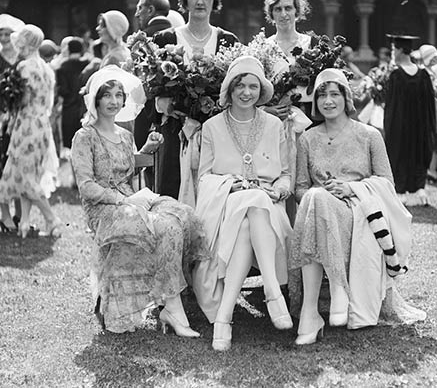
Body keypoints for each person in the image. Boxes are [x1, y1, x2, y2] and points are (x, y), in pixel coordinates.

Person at [289, 68, 423, 345]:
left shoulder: (369, 135)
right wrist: (323, 192)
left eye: (334, 94)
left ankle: (313, 310)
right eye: (322, 95)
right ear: (315, 101)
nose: (328, 101)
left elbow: (387, 182)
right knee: (316, 198)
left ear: (346, 97)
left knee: (317, 203)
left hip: (359, 216)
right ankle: (324, 301)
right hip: (320, 210)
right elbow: (300, 188)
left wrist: (351, 188)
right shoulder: (307, 139)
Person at [71, 66, 209, 334]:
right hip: (104, 208)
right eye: (107, 95)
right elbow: (86, 186)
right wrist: (124, 202)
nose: (113, 101)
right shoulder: (84, 136)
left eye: (118, 95)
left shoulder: (124, 135)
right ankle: (169, 309)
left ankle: (174, 306)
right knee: (155, 225)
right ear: (95, 100)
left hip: (131, 199)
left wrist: (146, 150)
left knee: (178, 216)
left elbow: (127, 167)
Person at [193, 56, 293, 351]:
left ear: (261, 90)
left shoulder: (275, 125)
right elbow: (204, 179)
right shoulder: (211, 127)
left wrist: (279, 191)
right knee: (250, 201)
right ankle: (273, 292)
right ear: (229, 89)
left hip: (268, 210)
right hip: (225, 209)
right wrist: (228, 185)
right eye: (240, 86)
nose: (246, 92)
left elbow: (285, 176)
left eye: (253, 86)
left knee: (253, 212)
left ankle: (224, 317)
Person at [152, 0, 238, 199]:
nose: (200, 2)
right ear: (185, 1)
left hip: (215, 129)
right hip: (176, 129)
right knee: (172, 190)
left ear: (214, 1)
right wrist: (168, 105)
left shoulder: (227, 41)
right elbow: (153, 87)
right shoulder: (166, 39)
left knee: (212, 191)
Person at [0, 24, 61, 238]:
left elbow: (24, 99)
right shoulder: (47, 68)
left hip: (26, 123)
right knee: (29, 172)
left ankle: (52, 218)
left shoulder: (24, 67)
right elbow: (48, 102)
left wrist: (10, 103)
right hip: (42, 124)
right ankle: (24, 222)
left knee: (26, 177)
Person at [262, 0, 314, 223]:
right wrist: (267, 108)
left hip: (305, 122)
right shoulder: (263, 47)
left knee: (305, 178)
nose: (283, 14)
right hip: (273, 122)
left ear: (297, 11)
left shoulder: (311, 47)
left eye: (288, 8)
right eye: (278, 9)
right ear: (271, 14)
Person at [384, 34, 436, 205]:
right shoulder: (424, 75)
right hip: (421, 126)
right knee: (419, 151)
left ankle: (401, 190)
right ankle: (420, 189)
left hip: (400, 127)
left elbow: (391, 108)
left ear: (399, 50)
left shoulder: (396, 76)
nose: (392, 52)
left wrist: (389, 128)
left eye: (393, 49)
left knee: (399, 152)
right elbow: (430, 107)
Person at [133, 0, 172, 153]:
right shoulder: (179, 36)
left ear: (150, 10)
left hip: (149, 118)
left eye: (139, 8)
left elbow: (139, 86)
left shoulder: (143, 40)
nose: (136, 14)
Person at [0, 13, 24, 232]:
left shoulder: (20, 58)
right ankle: (5, 214)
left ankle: (21, 214)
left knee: (17, 163)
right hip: (1, 112)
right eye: (1, 34)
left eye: (8, 33)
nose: (5, 37)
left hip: (19, 114)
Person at [419, 44, 437, 182]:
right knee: (435, 138)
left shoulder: (431, 72)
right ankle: (431, 169)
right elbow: (436, 93)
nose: (436, 60)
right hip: (433, 109)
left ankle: (432, 170)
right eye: (433, 58)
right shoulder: (426, 73)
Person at [56, 38, 89, 152]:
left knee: (71, 146)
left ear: (69, 49)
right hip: (85, 108)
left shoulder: (63, 67)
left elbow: (63, 90)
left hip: (69, 109)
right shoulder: (88, 65)